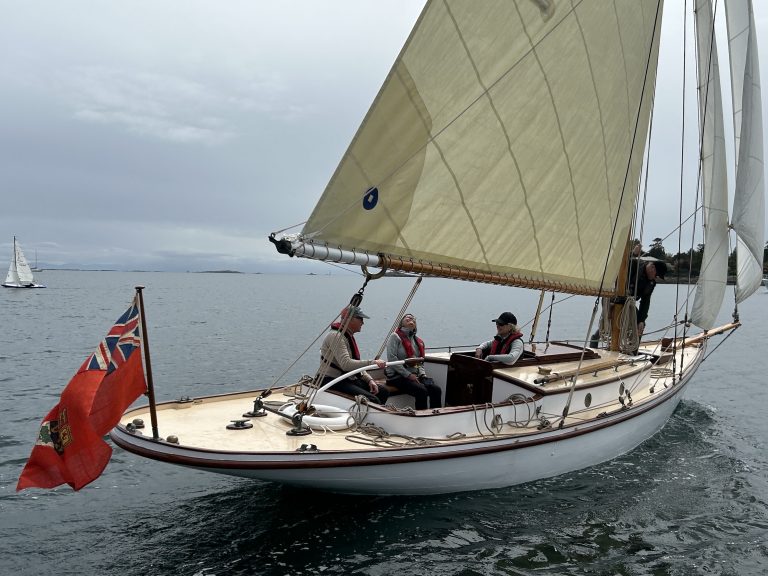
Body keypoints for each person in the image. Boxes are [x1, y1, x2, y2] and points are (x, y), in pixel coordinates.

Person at [316, 306, 389, 404]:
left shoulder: (346, 336)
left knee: (383, 392)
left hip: (345, 378)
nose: (363, 323)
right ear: (350, 319)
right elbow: (346, 364)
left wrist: (369, 380)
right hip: (331, 380)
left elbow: (355, 364)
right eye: (360, 319)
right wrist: (373, 362)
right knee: (373, 399)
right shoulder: (336, 336)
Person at [590, 255, 667, 347]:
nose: (655, 279)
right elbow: (615, 269)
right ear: (652, 268)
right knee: (609, 322)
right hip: (611, 299)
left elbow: (645, 302)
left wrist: (641, 320)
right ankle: (594, 343)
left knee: (639, 325)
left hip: (628, 304)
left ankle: (633, 350)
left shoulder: (651, 283)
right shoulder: (633, 264)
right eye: (656, 276)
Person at [385, 313, 442, 410]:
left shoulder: (418, 341)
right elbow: (392, 358)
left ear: (415, 325)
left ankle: (436, 414)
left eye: (413, 319)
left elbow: (420, 363)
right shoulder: (395, 337)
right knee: (422, 391)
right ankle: (422, 416)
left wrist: (422, 375)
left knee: (436, 390)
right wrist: (408, 375)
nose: (410, 318)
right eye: (407, 317)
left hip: (415, 375)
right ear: (401, 323)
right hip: (397, 376)